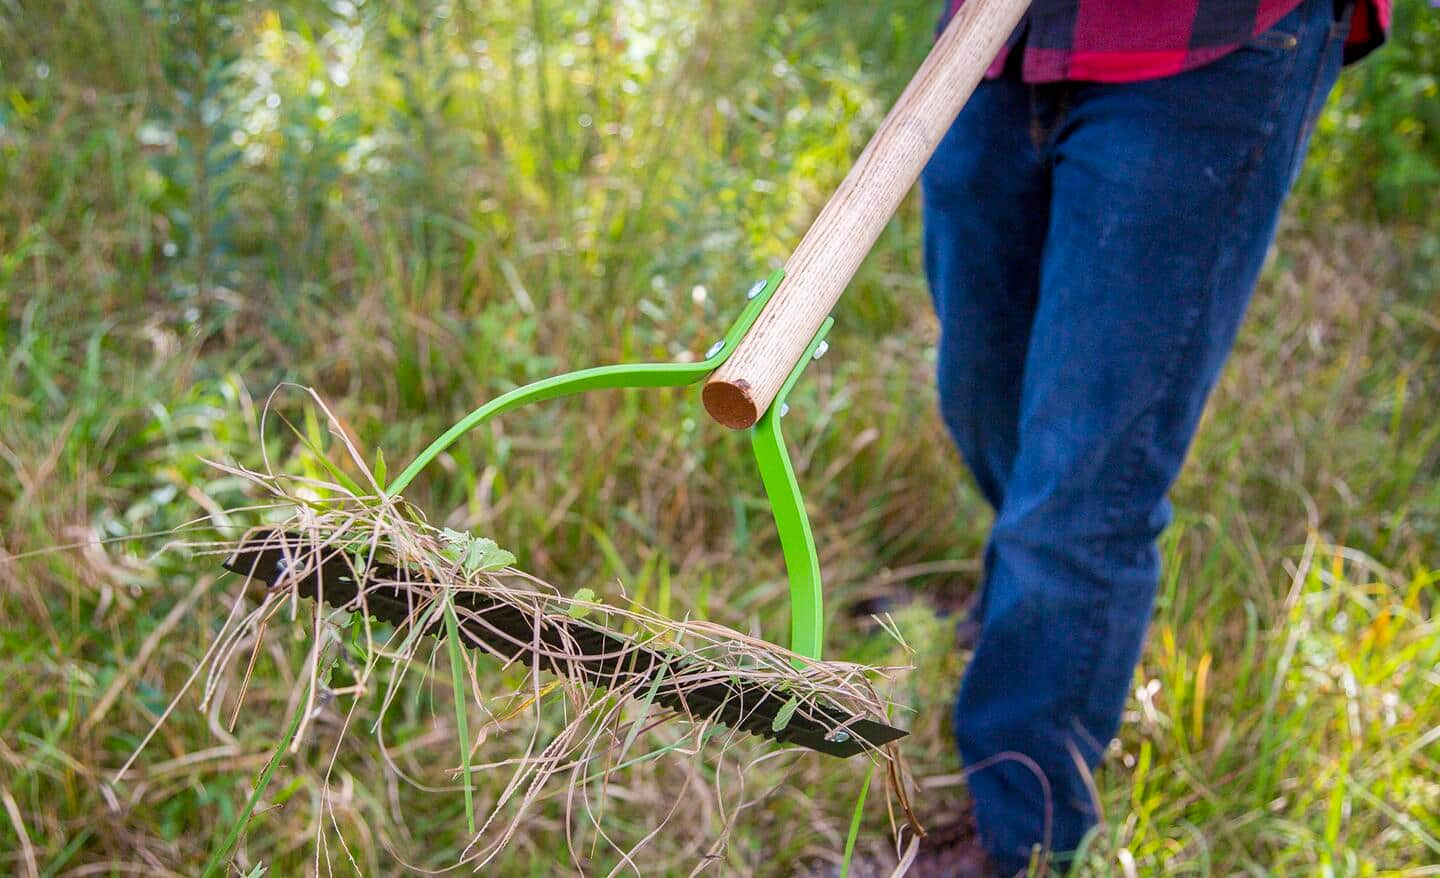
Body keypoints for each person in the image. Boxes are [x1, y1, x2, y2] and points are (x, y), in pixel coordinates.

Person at [917, 0, 1391, 873]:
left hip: (1205, 42)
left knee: (1086, 479)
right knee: (983, 392)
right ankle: (1019, 610)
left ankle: (1029, 836)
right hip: (995, 35)